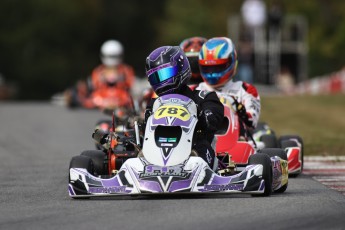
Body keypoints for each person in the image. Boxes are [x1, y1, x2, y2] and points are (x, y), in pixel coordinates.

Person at [144, 46, 224, 170]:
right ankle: (143, 164)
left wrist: (205, 115)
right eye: (156, 77)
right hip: (157, 149)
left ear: (181, 69)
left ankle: (194, 166)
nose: (162, 81)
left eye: (165, 74)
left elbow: (215, 118)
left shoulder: (203, 97)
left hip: (195, 147)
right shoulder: (154, 104)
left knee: (201, 147)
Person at [197, 37, 261, 139]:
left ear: (231, 62)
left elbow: (252, 123)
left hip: (236, 142)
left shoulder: (245, 89)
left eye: (217, 67)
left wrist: (236, 107)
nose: (212, 73)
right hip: (202, 141)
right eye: (207, 68)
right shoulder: (195, 89)